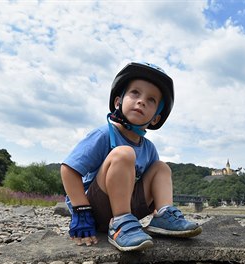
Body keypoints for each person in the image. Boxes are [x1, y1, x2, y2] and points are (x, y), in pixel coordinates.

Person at [61, 62, 202, 252]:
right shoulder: (105, 134)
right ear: (118, 102)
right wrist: (80, 209)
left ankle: (163, 217)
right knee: (124, 153)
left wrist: (157, 203)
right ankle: (118, 224)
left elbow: (153, 183)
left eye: (151, 100)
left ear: (155, 119)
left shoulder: (148, 148)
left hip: (130, 213)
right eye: (135, 93)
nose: (141, 101)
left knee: (161, 167)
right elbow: (69, 169)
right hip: (94, 210)